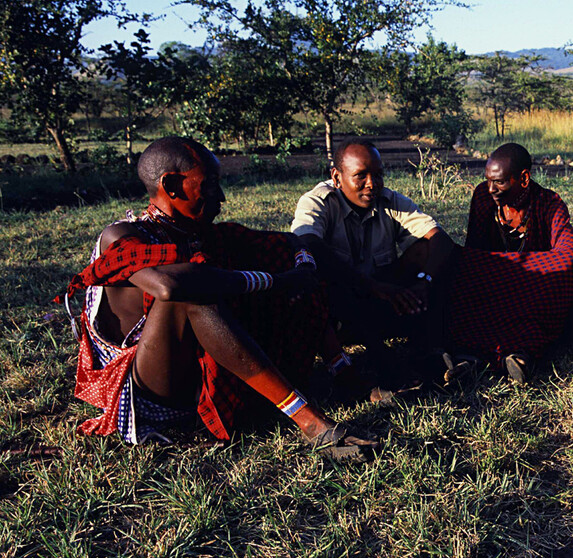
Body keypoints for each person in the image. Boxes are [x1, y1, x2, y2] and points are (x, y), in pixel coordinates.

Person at [61, 136, 372, 461]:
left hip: (190, 377)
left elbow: (290, 242)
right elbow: (169, 287)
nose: (220, 197)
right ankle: (310, 422)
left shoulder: (200, 234)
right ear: (172, 186)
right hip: (149, 391)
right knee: (194, 293)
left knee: (262, 262)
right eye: (209, 187)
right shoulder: (122, 236)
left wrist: (300, 268)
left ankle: (341, 369)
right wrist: (273, 282)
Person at [291, 138, 457, 393]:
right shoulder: (318, 201)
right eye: (361, 176)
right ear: (336, 177)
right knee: (320, 273)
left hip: (382, 295)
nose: (372, 184)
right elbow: (306, 242)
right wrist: (370, 285)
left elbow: (440, 239)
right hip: (342, 302)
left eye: (378, 175)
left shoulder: (389, 200)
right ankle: (381, 361)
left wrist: (425, 282)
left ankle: (430, 346)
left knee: (427, 250)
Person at [445, 143, 573, 382]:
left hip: (533, 291)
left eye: (500, 182)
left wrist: (519, 270)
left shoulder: (548, 203)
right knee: (457, 268)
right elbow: (473, 252)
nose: (491, 189)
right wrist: (500, 269)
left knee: (554, 294)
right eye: (488, 180)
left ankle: (516, 356)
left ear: (523, 178)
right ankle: (475, 356)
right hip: (489, 286)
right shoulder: (483, 197)